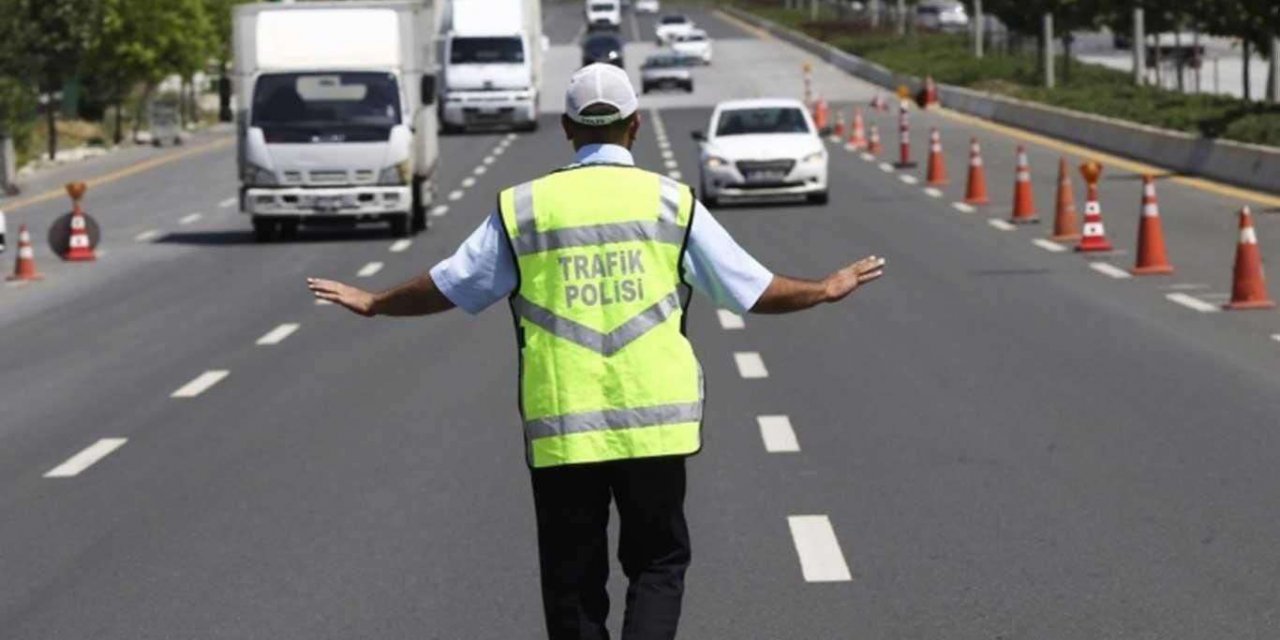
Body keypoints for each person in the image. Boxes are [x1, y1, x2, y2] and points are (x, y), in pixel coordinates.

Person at [307, 63, 885, 640]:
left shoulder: (525, 208)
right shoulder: (670, 203)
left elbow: (452, 284)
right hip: (655, 425)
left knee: (572, 582)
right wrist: (823, 290)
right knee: (657, 564)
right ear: (634, 125)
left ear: (566, 127)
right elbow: (751, 289)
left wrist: (376, 301)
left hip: (564, 427)